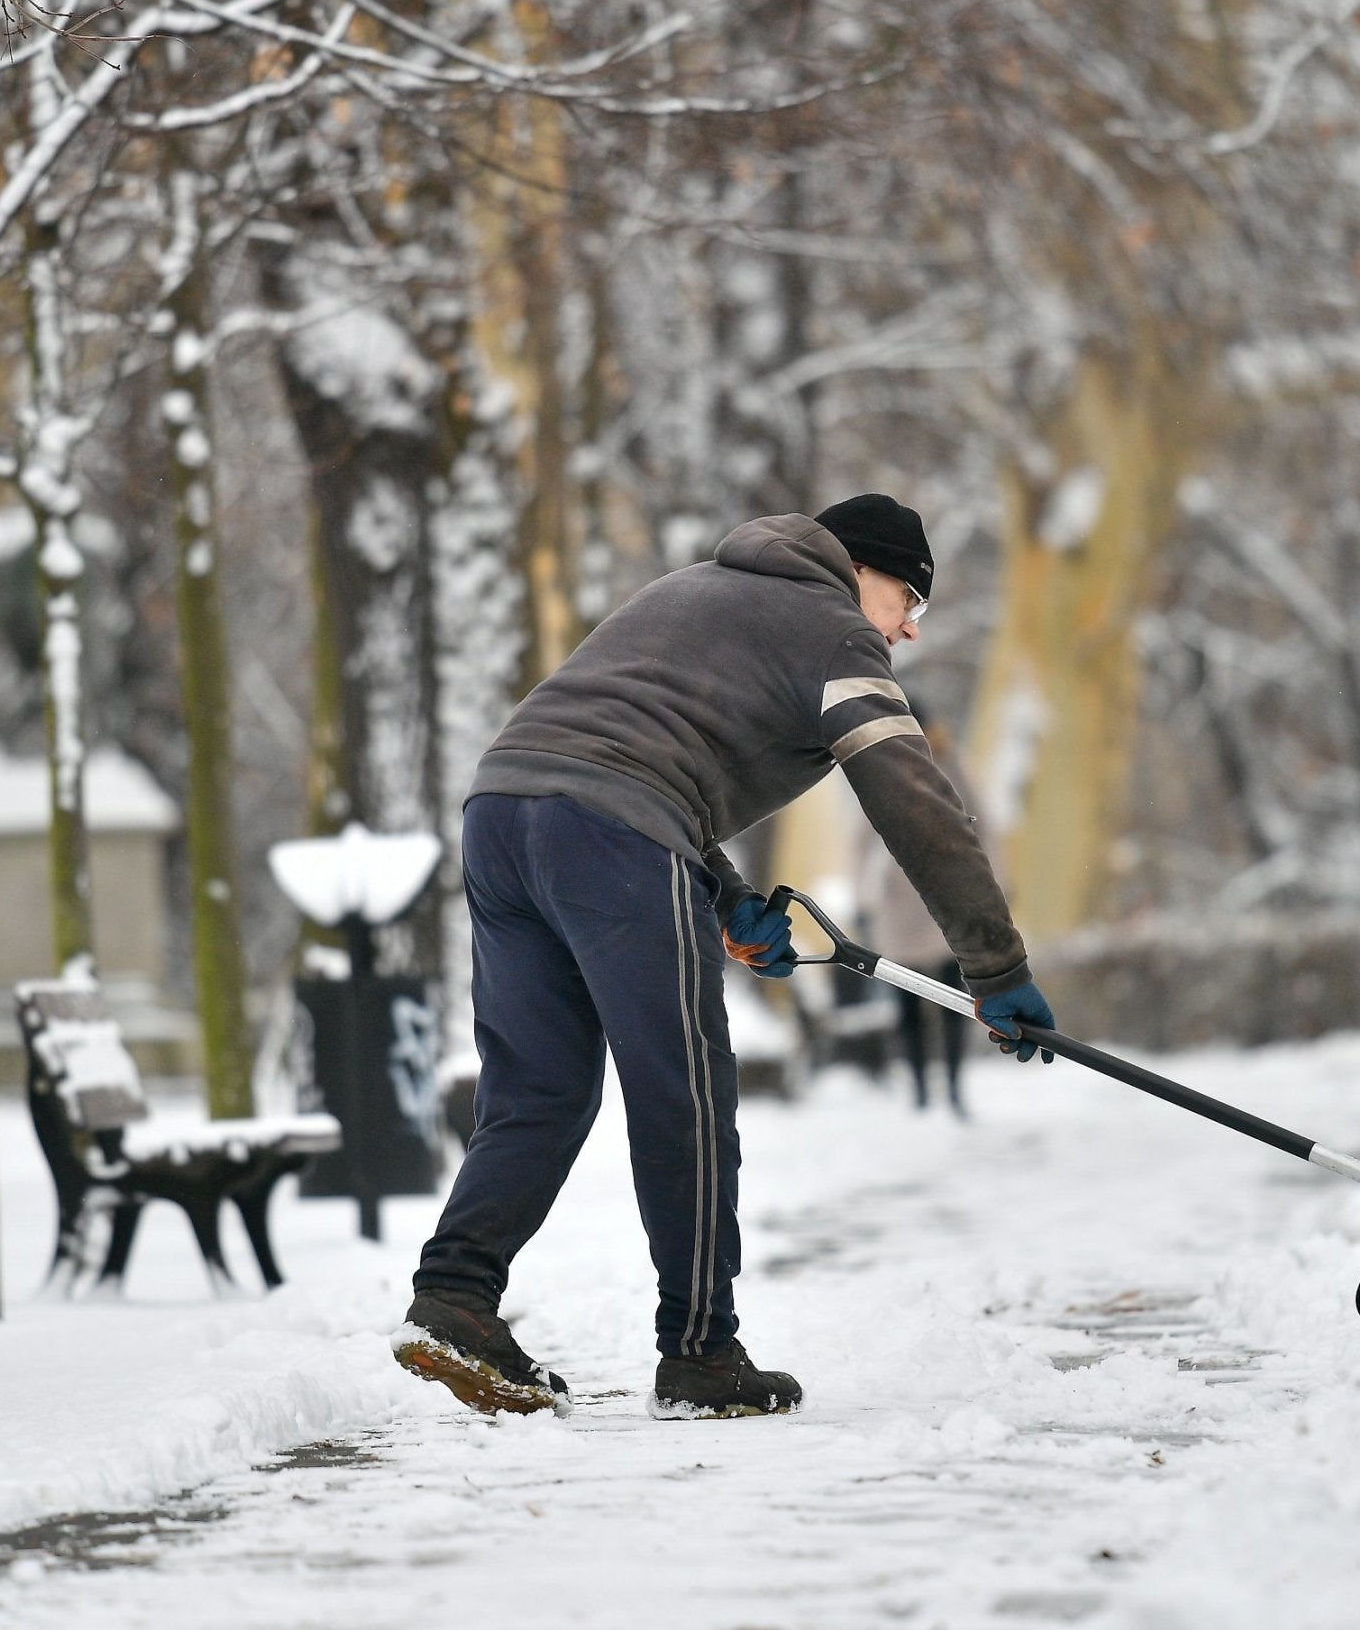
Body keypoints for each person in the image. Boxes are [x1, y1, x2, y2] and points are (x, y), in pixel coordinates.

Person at [393, 494, 1055, 1421]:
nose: (907, 629)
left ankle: (455, 1294)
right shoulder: (834, 633)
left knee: (538, 1089)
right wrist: (995, 965)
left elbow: (632, 745)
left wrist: (730, 895)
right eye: (909, 598)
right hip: (614, 829)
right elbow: (916, 801)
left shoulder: (688, 590)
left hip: (501, 812)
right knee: (687, 1089)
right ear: (859, 568)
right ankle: (702, 1349)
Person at [856, 704, 991, 1118]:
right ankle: (920, 1091)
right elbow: (861, 840)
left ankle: (951, 1087)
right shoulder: (880, 767)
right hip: (902, 899)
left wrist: (992, 887)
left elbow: (982, 825)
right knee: (908, 1003)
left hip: (948, 897)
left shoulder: (949, 766)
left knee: (956, 998)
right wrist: (864, 898)